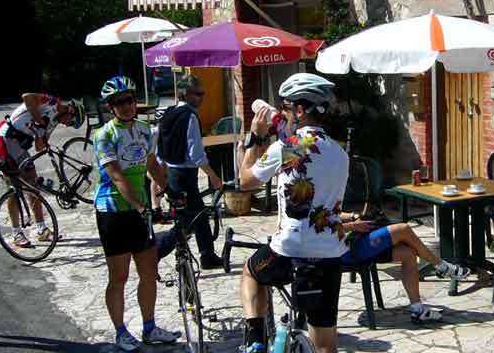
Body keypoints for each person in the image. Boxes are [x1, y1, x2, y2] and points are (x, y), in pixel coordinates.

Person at [238, 73, 348, 353]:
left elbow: (245, 181)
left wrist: (254, 138)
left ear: (300, 110)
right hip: (329, 251)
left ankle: (254, 342)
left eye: (286, 107)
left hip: (290, 249)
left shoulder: (289, 148)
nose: (284, 113)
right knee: (325, 341)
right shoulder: (340, 152)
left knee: (251, 273)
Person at [93, 75, 179, 351]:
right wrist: (143, 208)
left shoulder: (144, 128)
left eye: (129, 100)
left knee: (149, 270)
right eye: (119, 102)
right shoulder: (104, 135)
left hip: (139, 210)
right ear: (110, 107)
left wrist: (168, 190)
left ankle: (150, 327)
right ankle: (120, 332)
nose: (126, 106)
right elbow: (117, 177)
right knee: (119, 276)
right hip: (113, 210)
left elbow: (152, 163)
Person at [339, 213, 470, 323]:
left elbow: (333, 214)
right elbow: (320, 228)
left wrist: (352, 216)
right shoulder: (319, 186)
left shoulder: (328, 188)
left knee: (408, 253)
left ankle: (418, 310)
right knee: (403, 229)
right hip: (341, 251)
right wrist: (352, 226)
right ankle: (442, 266)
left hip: (352, 241)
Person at [0, 93, 85, 247]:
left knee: (33, 186)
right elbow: (27, 97)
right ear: (70, 111)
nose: (67, 125)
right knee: (15, 187)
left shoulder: (54, 122)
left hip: (19, 146)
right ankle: (16, 232)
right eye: (71, 122)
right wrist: (39, 121)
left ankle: (41, 229)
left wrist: (41, 133)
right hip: (5, 138)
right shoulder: (51, 102)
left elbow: (39, 147)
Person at [155, 74, 223, 268]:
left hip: (173, 173)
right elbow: (197, 154)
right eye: (198, 94)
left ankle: (207, 256)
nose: (202, 98)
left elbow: (160, 148)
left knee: (196, 216)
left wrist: (163, 173)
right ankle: (158, 249)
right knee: (189, 219)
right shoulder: (190, 117)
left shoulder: (168, 114)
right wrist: (213, 176)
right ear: (186, 94)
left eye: (203, 93)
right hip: (185, 175)